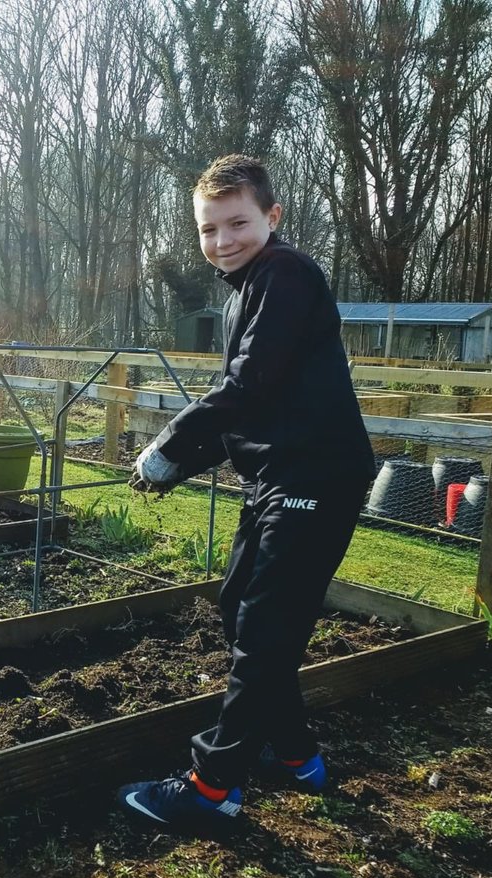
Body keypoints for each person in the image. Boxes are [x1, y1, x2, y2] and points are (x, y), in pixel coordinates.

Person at [116, 154, 375, 829]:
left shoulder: (286, 274)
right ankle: (295, 753)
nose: (223, 240)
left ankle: (212, 788)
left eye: (238, 222)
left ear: (272, 217)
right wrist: (178, 466)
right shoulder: (243, 292)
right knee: (242, 611)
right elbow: (251, 415)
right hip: (276, 477)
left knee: (265, 628)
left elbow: (248, 385)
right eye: (209, 228)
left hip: (316, 475)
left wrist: (169, 443)